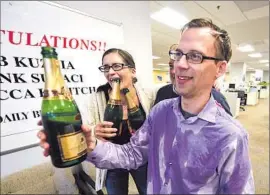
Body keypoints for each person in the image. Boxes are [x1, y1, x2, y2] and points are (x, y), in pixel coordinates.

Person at [39, 18, 255, 194]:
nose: (179, 64)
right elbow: (131, 155)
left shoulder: (231, 136)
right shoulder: (160, 112)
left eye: (195, 56)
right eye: (178, 54)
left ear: (220, 68)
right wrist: (89, 144)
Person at [39, 48, 156, 195]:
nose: (110, 72)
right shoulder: (94, 99)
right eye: (106, 68)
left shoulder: (150, 95)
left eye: (117, 66)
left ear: (132, 71)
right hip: (111, 161)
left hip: (142, 158)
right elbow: (83, 127)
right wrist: (94, 131)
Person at [154, 44, 232, 116]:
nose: (174, 71)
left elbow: (227, 129)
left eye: (180, 67)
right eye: (171, 66)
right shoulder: (162, 92)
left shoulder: (216, 98)